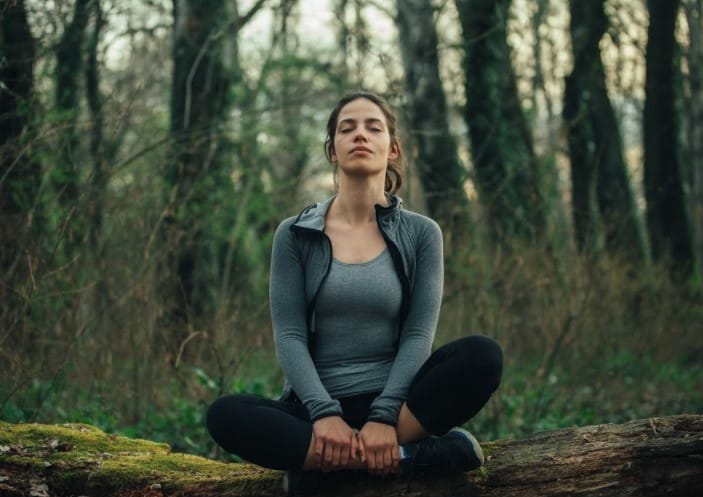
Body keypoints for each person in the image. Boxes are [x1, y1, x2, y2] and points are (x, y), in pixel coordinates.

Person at [206, 90, 503, 495]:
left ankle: (328, 468)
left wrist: (383, 417)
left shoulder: (422, 233)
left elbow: (419, 335)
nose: (359, 135)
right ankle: (408, 458)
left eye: (372, 127)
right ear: (333, 150)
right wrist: (324, 414)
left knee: (482, 355)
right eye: (347, 129)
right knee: (226, 414)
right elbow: (289, 336)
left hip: (400, 407)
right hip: (316, 413)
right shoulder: (295, 234)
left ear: (392, 147)